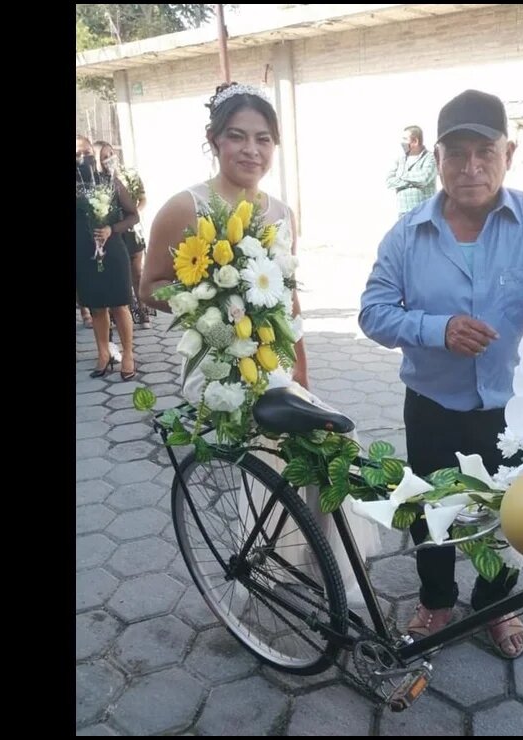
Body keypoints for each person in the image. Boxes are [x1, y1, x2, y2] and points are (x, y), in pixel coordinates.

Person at [358, 90, 523, 659]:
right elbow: (373, 311)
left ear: (508, 153)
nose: (471, 168)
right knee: (430, 512)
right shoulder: (406, 234)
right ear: (435, 158)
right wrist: (435, 329)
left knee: (510, 518)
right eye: (456, 153)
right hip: (432, 406)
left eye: (484, 152)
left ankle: (494, 602)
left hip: (514, 413)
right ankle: (436, 598)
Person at [140, 82, 381, 601]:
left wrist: (302, 368)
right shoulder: (185, 206)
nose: (252, 150)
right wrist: (207, 299)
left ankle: (319, 561)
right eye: (237, 136)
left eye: (264, 139)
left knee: (334, 443)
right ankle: (257, 568)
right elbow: (150, 286)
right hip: (219, 362)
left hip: (273, 361)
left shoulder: (282, 213)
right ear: (214, 140)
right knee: (271, 456)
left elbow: (289, 301)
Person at [76, 134, 139, 380]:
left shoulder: (109, 181)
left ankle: (128, 354)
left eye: (87, 152)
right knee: (97, 306)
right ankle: (103, 354)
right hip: (83, 254)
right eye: (78, 154)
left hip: (112, 251)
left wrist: (111, 228)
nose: (83, 158)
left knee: (119, 304)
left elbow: (134, 215)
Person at [96, 141, 154, 330]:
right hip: (113, 235)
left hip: (131, 230)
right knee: (122, 276)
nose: (109, 159)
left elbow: (142, 200)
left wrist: (132, 214)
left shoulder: (129, 174)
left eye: (110, 154)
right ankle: (124, 314)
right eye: (104, 157)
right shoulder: (96, 181)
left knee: (137, 272)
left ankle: (143, 310)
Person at [385, 125, 438, 217]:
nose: (402, 142)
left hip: (424, 213)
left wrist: (401, 175)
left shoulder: (431, 158)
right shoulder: (400, 160)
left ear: (415, 141)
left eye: (405, 139)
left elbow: (423, 179)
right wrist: (412, 183)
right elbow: (389, 181)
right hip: (403, 214)